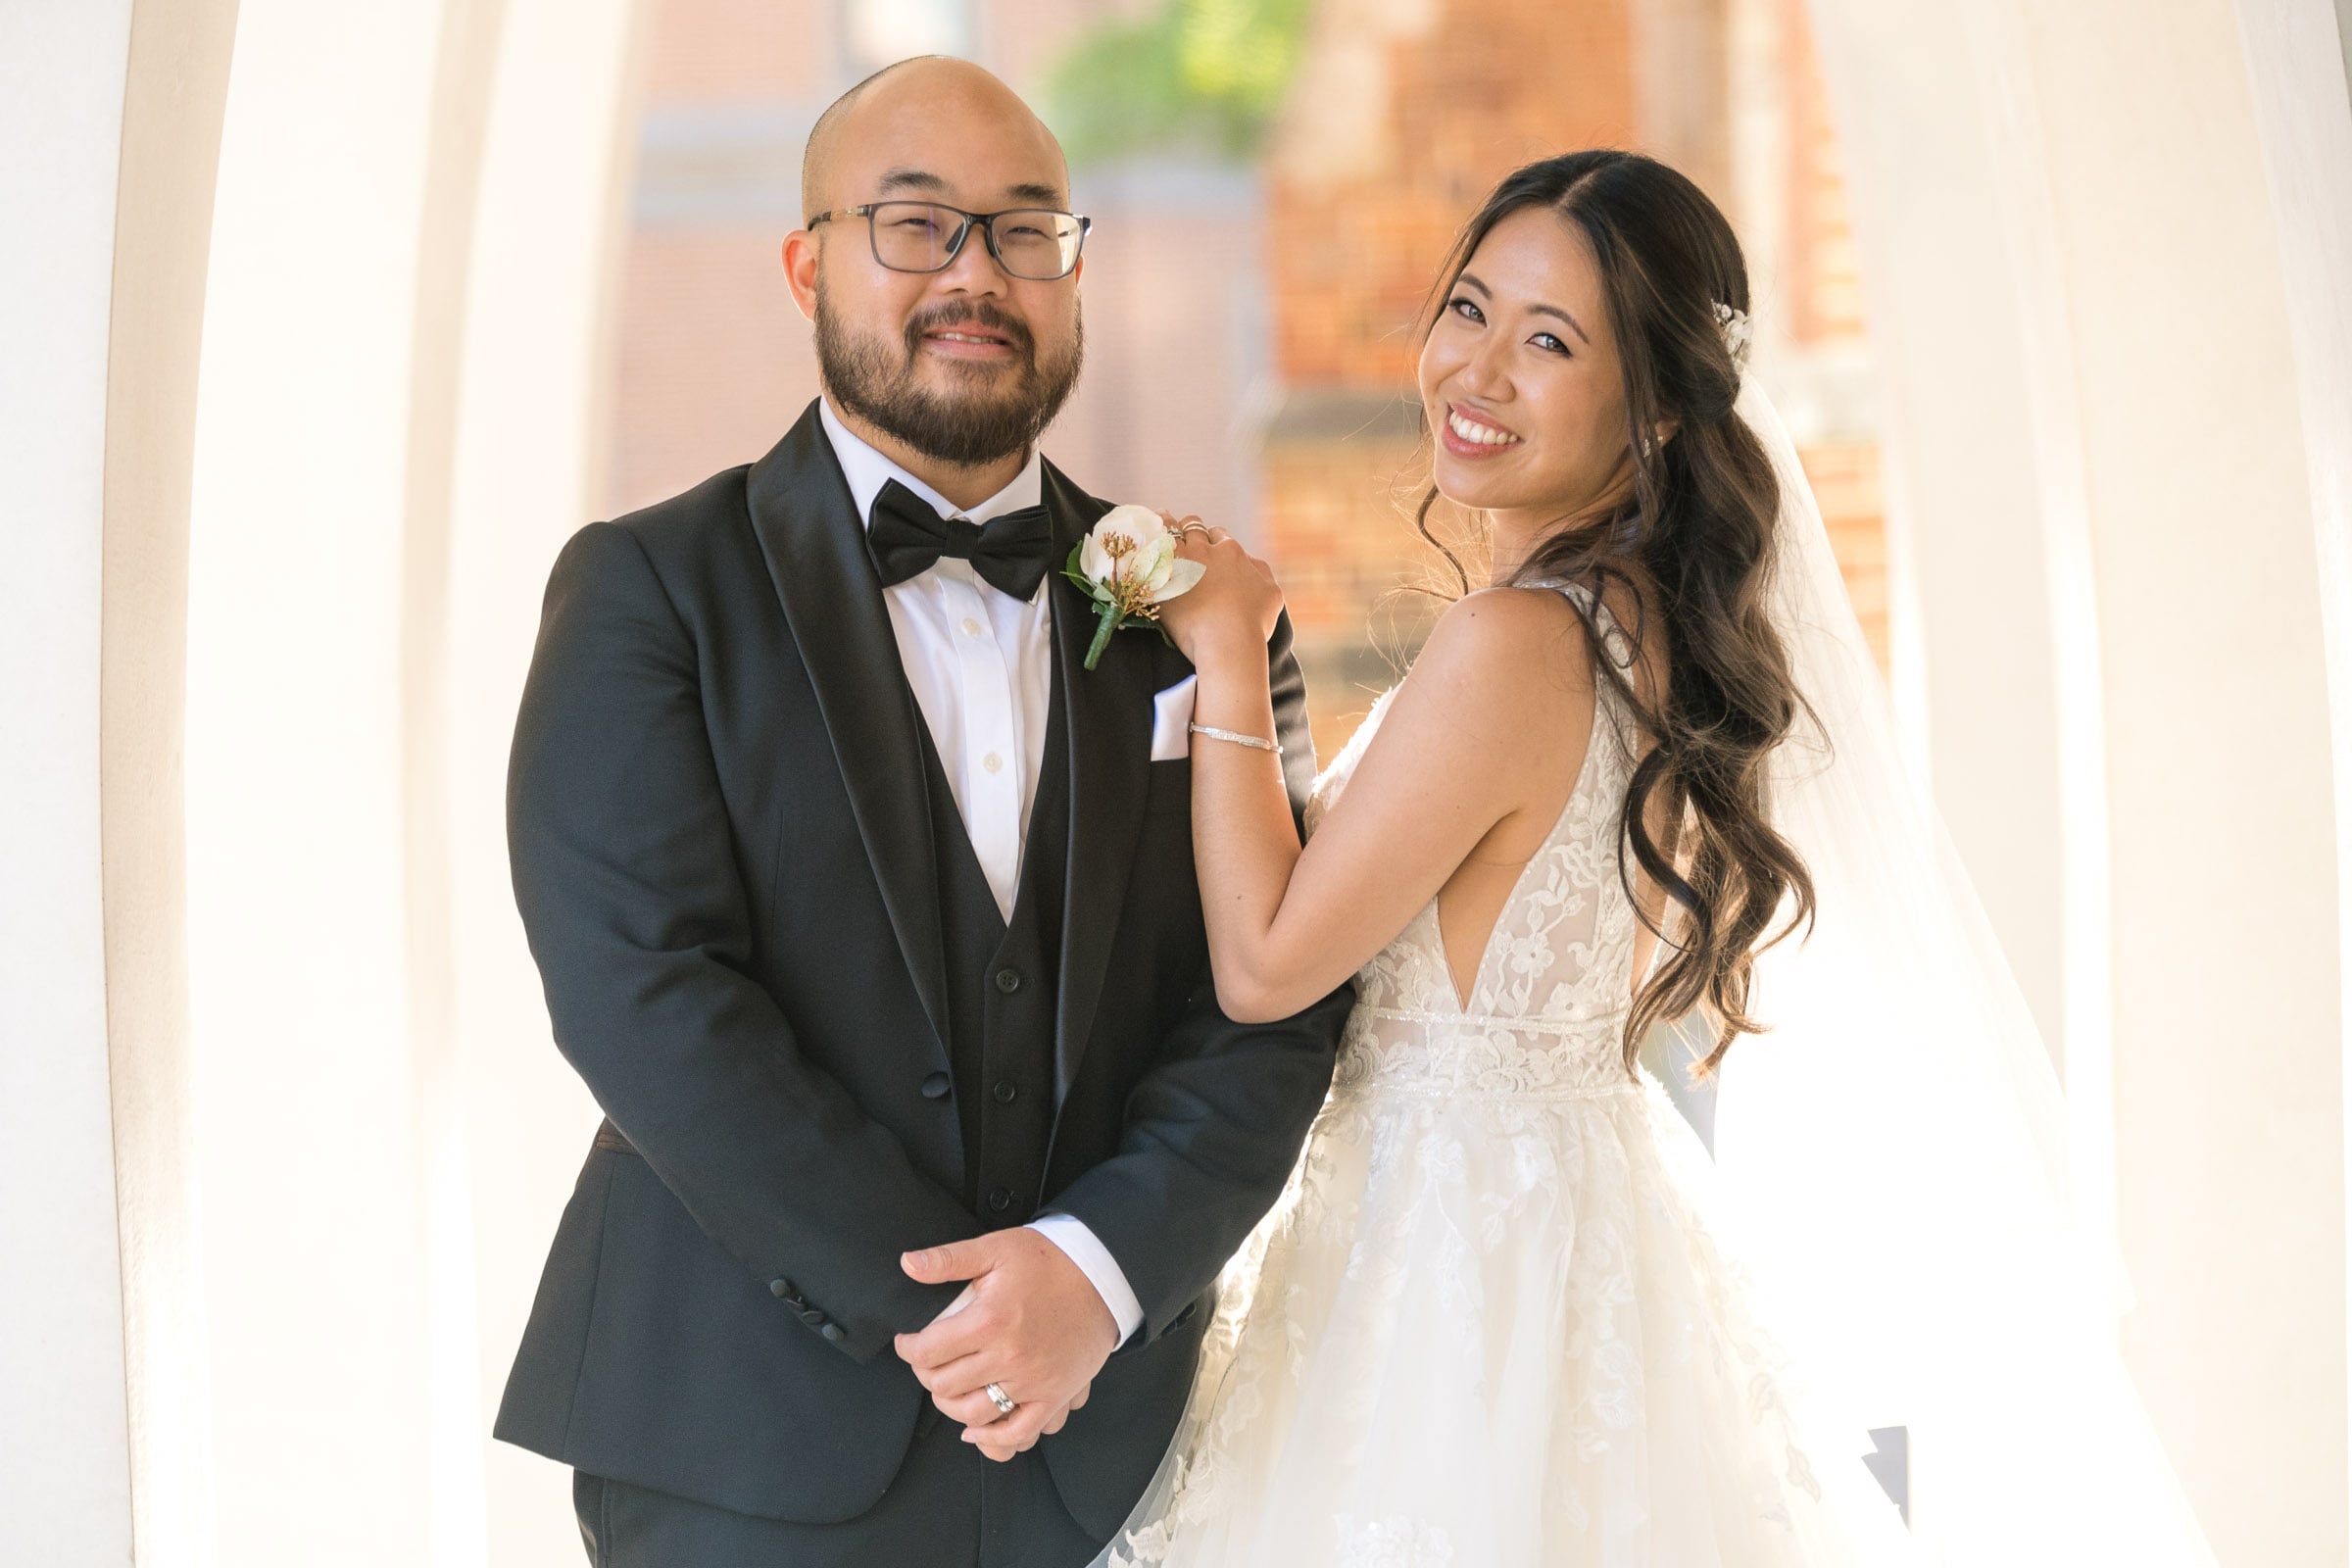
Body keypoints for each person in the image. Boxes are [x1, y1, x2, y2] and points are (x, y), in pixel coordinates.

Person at [1102, 149, 2220, 1566]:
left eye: (1551, 342)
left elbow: (1266, 966)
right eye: (1469, 309)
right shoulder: (1652, 635)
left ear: (1661, 413)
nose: (1478, 371)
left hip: (1446, 1279)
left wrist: (1220, 654)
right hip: (1580, 1242)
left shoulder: (1516, 643)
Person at [492, 56, 1349, 1568]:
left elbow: (1273, 997)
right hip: (742, 1446)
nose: (977, 273)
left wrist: (1093, 1278)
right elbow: (644, 996)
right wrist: (965, 1318)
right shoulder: (648, 592)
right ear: (806, 262)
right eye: (914, 225)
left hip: (1115, 1449)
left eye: (1026, 229)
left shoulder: (1209, 616)